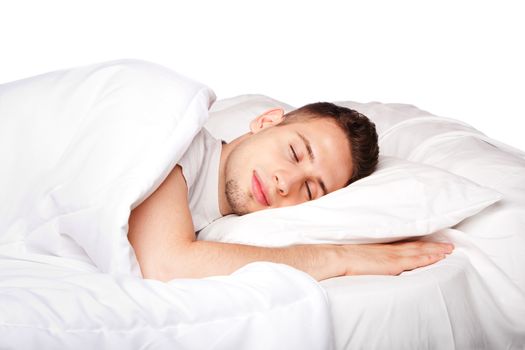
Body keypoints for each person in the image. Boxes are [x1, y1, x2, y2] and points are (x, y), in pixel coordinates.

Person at [128, 102, 454, 281]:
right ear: (266, 121)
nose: (286, 183)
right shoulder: (180, 139)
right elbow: (166, 264)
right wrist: (341, 258)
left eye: (310, 189)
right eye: (295, 153)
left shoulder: (205, 218)